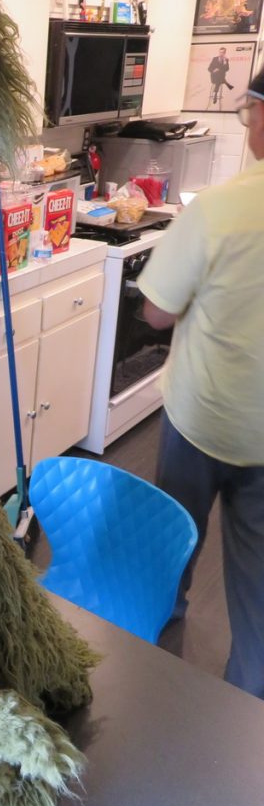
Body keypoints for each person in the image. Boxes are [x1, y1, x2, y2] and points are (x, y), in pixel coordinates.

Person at [138, 65, 264, 697]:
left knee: (174, 542)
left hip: (202, 419)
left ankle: (154, 669)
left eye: (248, 112)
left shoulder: (218, 210)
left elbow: (156, 313)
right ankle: (247, 711)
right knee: (259, 589)